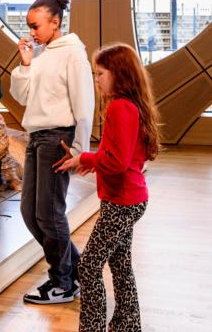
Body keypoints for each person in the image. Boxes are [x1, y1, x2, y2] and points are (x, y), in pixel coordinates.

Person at [56, 43, 160, 332]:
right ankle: (128, 324)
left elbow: (116, 161)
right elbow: (117, 156)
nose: (97, 79)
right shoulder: (130, 105)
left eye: (100, 73)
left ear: (119, 74)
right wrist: (92, 161)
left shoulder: (119, 107)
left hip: (122, 202)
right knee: (120, 263)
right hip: (129, 199)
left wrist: (85, 157)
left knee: (88, 266)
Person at [10, 0, 95, 304]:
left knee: (49, 214)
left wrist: (79, 150)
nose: (31, 31)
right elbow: (21, 97)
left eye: (35, 25)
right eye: (30, 26)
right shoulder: (43, 55)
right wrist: (26, 63)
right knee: (31, 214)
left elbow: (84, 104)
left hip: (58, 138)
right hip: (36, 139)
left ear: (55, 22)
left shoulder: (73, 52)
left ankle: (63, 282)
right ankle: (75, 270)